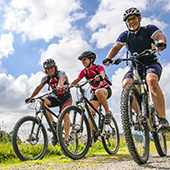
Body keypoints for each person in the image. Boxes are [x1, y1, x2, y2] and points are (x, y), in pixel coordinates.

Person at [103, 7, 169, 132]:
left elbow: (159, 35)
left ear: (139, 19)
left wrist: (161, 42)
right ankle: (139, 115)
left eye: (133, 19)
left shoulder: (148, 29)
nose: (131, 22)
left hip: (151, 63)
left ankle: (162, 119)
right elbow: (116, 47)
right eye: (128, 20)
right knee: (126, 84)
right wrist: (108, 58)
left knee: (152, 81)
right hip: (136, 65)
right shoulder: (125, 35)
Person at [25, 58, 72, 145]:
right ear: (46, 70)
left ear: (55, 67)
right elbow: (39, 87)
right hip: (56, 97)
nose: (50, 69)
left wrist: (59, 87)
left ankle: (66, 140)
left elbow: (62, 80)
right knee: (42, 102)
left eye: (52, 67)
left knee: (65, 115)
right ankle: (53, 123)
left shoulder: (60, 73)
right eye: (48, 68)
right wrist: (30, 97)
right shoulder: (46, 78)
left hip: (66, 98)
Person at [71, 51, 112, 141]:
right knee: (91, 112)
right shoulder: (84, 71)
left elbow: (102, 73)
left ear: (91, 60)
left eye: (84, 59)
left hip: (105, 90)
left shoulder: (98, 67)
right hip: (95, 92)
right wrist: (68, 86)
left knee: (98, 92)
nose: (83, 61)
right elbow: (77, 80)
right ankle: (91, 136)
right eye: (82, 60)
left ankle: (108, 113)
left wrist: (100, 77)